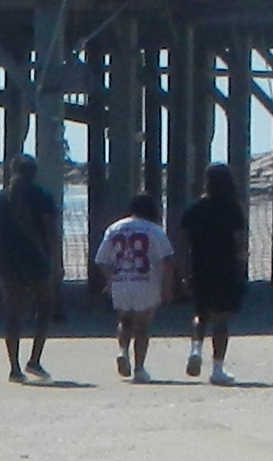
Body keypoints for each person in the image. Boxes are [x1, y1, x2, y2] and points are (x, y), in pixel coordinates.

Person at [0, 153, 65, 382]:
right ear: (34, 173)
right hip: (36, 258)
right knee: (45, 307)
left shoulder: (1, 198)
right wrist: (56, 261)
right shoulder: (42, 196)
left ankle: (14, 368)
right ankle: (34, 360)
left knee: (12, 314)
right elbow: (51, 231)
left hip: (8, 260)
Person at [176, 162, 253, 383]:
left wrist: (183, 271)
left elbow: (183, 243)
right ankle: (217, 369)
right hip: (225, 267)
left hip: (200, 266)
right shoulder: (232, 207)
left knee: (201, 314)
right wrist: (241, 262)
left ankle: (195, 349)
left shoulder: (194, 208)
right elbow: (239, 241)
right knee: (221, 318)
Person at [93, 185, 173, 380]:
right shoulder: (156, 231)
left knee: (125, 320)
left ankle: (122, 351)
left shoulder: (114, 228)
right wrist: (168, 286)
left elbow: (101, 260)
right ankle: (139, 368)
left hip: (121, 280)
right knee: (143, 326)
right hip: (146, 281)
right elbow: (167, 261)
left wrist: (110, 278)